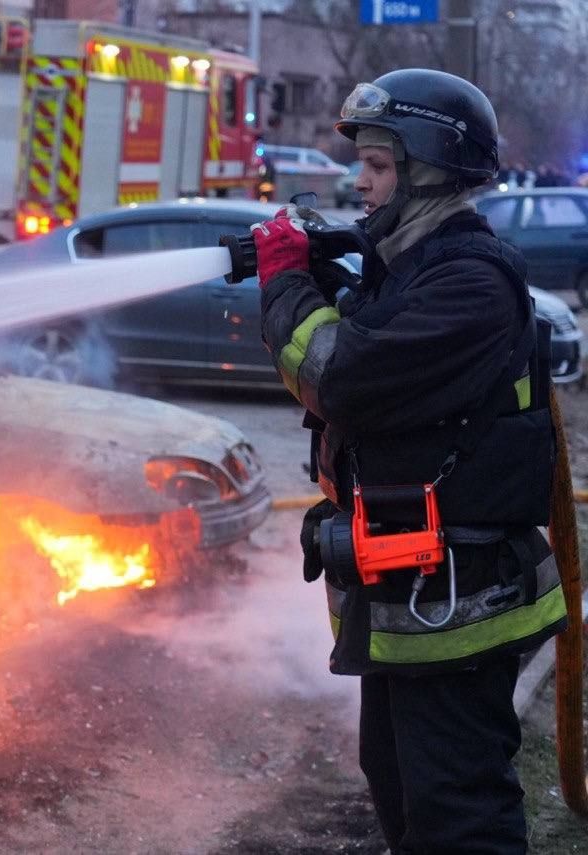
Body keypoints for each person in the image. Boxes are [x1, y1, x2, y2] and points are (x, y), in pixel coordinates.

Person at [252, 69, 568, 853]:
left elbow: (338, 377)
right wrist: (327, 270)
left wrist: (288, 284)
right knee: (397, 787)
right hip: (409, 597)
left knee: (457, 812)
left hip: (460, 607)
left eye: (380, 165)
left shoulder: (470, 283)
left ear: (429, 169)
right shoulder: (409, 268)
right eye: (362, 162)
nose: (358, 181)